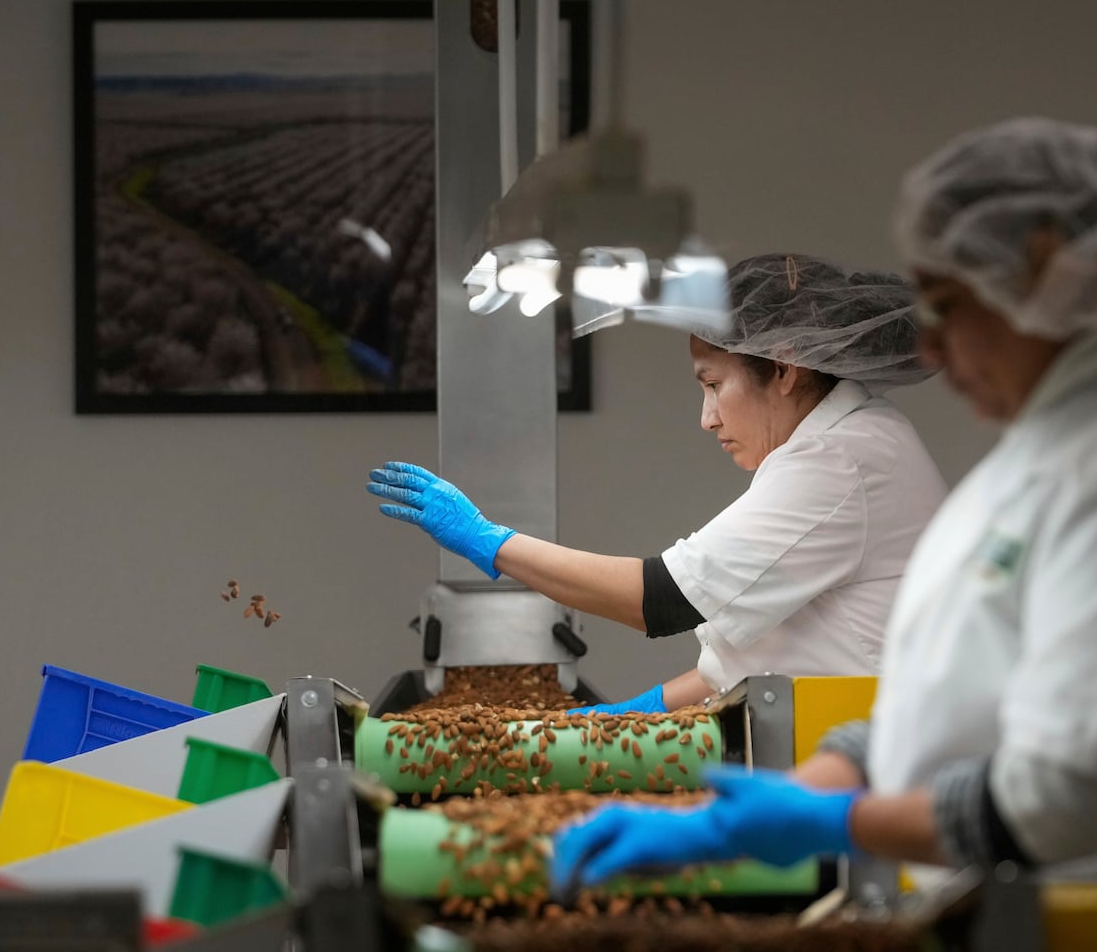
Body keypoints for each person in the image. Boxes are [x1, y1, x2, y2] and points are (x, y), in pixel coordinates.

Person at [550, 118, 1097, 952]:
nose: (927, 342)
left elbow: (1065, 796)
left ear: (1047, 281)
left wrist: (829, 823)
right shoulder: (1022, 478)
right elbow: (938, 698)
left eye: (949, 303)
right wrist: (800, 790)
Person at [368, 255, 947, 714]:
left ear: (785, 367)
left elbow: (662, 599)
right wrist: (636, 712)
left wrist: (488, 540)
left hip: (866, 759)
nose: (707, 418)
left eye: (713, 384)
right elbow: (759, 649)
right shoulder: (853, 441)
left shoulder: (837, 460)